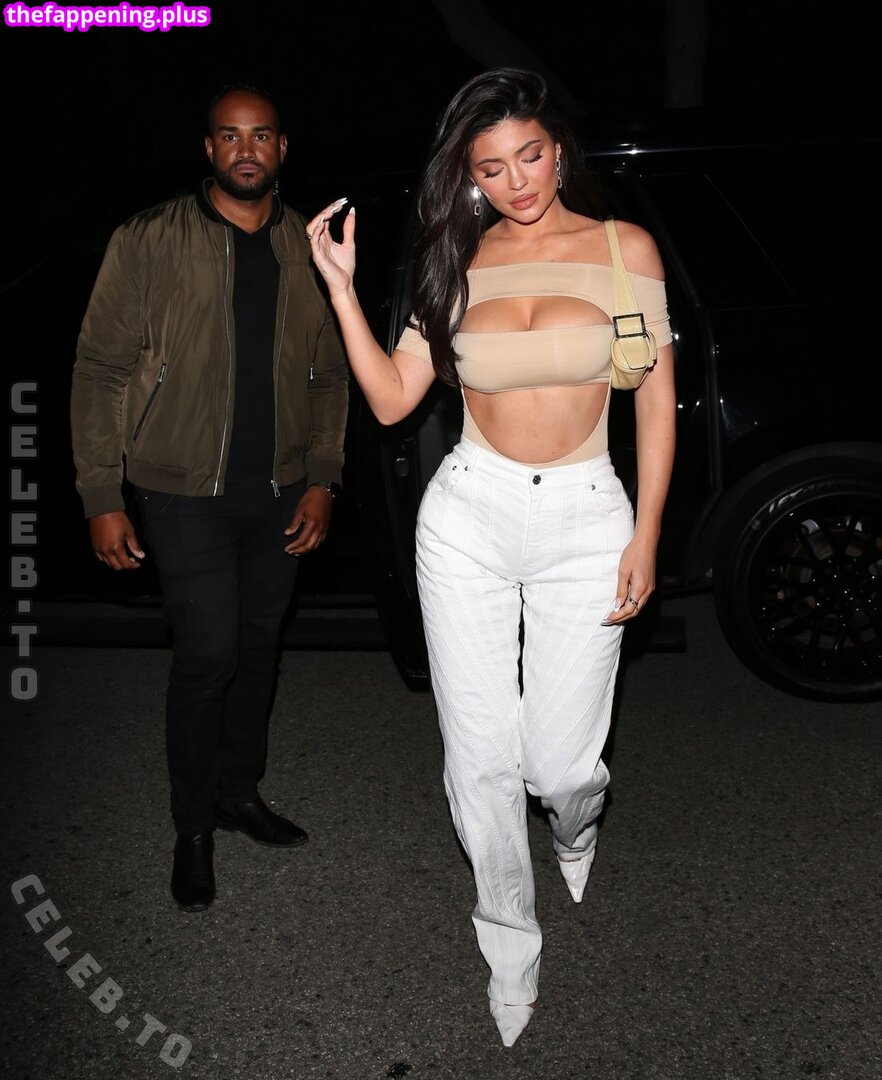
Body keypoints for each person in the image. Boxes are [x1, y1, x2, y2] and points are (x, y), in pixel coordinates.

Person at [306, 67, 675, 1045]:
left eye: (530, 156)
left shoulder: (622, 248)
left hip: (587, 516)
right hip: (470, 512)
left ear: (558, 151)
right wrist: (342, 291)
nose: (517, 182)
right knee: (477, 758)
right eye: (491, 168)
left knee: (560, 764)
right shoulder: (454, 260)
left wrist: (646, 533)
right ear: (467, 176)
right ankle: (509, 943)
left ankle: (578, 821)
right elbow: (393, 398)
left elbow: (651, 398)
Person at [70, 84, 349, 914]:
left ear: (282, 148)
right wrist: (100, 491)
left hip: (279, 490)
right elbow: (100, 368)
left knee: (259, 650)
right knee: (207, 657)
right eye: (230, 136)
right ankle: (192, 826)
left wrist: (324, 478)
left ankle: (238, 793)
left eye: (261, 136)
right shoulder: (149, 237)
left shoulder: (308, 244)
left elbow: (331, 374)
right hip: (179, 490)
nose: (246, 150)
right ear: (208, 149)